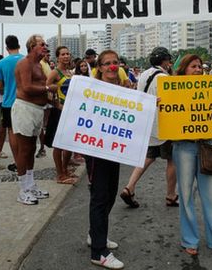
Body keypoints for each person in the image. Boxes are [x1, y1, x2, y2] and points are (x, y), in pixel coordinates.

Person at [172, 54, 212, 256]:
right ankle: (189, 240)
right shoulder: (172, 90)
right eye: (193, 66)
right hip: (183, 147)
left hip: (206, 146)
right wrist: (160, 104)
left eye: (200, 66)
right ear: (184, 69)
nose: (198, 69)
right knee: (186, 195)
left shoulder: (211, 88)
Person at [120, 47, 178, 208]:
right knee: (172, 160)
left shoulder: (144, 74)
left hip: (148, 123)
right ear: (165, 61)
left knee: (148, 157)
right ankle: (171, 195)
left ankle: (129, 187)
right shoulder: (164, 77)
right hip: (164, 124)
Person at [86, 49, 124, 269]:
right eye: (107, 63)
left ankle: (95, 234)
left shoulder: (121, 87)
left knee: (109, 193)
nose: (112, 66)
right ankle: (98, 251)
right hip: (96, 151)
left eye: (115, 62)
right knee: (99, 197)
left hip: (114, 150)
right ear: (99, 67)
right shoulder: (91, 89)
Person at [11, 35, 51, 205]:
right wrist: (49, 88)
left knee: (31, 149)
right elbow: (26, 87)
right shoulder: (25, 63)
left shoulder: (38, 65)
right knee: (24, 150)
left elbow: (40, 88)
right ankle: (23, 189)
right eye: (42, 44)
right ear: (32, 46)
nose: (45, 47)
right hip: (25, 109)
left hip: (37, 110)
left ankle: (30, 184)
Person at [45, 46, 77, 184]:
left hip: (71, 111)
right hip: (59, 112)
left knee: (69, 143)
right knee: (58, 144)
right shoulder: (54, 73)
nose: (66, 56)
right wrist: (57, 105)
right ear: (57, 57)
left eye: (68, 53)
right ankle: (60, 174)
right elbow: (46, 91)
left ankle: (65, 169)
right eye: (63, 54)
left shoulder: (70, 72)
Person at [0, 35, 24, 167]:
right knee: (24, 133)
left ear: (6, 48)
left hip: (8, 102)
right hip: (25, 101)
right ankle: (25, 161)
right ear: (19, 46)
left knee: (11, 131)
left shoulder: (1, 63)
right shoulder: (26, 60)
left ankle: (17, 162)